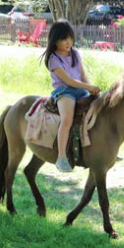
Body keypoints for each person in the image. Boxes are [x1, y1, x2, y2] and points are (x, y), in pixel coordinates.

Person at [44, 21, 93, 172]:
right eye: (64, 39)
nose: (68, 42)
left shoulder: (75, 54)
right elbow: (68, 80)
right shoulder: (54, 59)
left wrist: (92, 91)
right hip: (64, 91)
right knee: (67, 119)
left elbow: (82, 74)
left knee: (98, 110)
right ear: (55, 40)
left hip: (81, 90)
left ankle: (100, 148)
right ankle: (61, 157)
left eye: (70, 38)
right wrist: (88, 87)